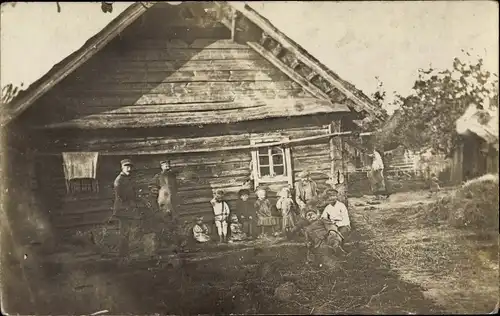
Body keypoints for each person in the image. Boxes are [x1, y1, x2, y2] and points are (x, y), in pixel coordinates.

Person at [112, 159, 142, 263]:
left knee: (128, 232)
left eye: (130, 167)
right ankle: (122, 256)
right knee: (124, 233)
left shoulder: (129, 178)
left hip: (129, 209)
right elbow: (121, 197)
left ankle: (126, 254)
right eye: (126, 167)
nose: (129, 169)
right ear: (122, 167)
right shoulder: (119, 180)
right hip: (123, 209)